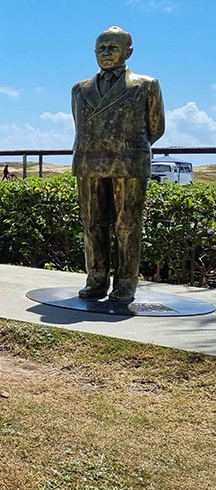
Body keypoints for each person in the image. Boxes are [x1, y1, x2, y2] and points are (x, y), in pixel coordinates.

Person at [72, 26, 165, 303]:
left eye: (113, 47)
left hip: (128, 162)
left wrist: (125, 146)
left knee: (127, 224)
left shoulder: (146, 85)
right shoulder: (80, 89)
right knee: (92, 223)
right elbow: (80, 125)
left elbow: (156, 127)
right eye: (101, 48)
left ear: (129, 51)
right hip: (89, 161)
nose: (106, 53)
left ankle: (125, 282)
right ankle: (96, 279)